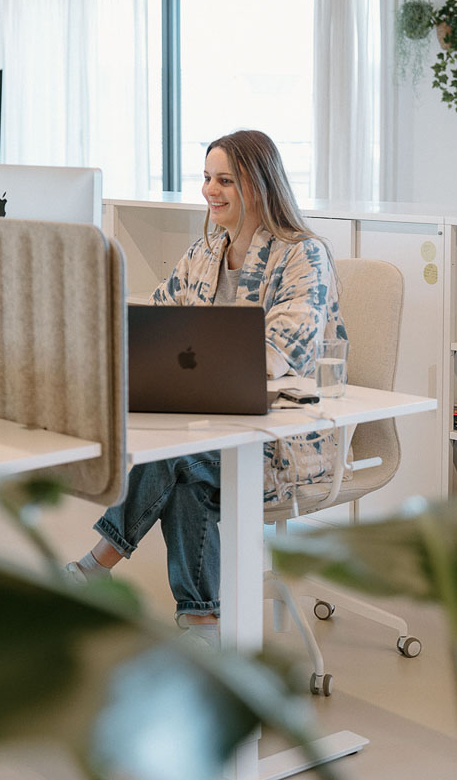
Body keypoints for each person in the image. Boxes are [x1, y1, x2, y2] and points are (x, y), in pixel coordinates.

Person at [66, 130, 347, 647]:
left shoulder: (303, 256)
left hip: (287, 441)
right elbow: (157, 320)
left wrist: (195, 366)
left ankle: (96, 564)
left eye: (224, 181)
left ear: (258, 188)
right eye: (206, 178)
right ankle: (202, 622)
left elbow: (280, 352)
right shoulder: (205, 251)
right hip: (213, 429)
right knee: (187, 468)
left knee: (179, 460)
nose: (209, 191)